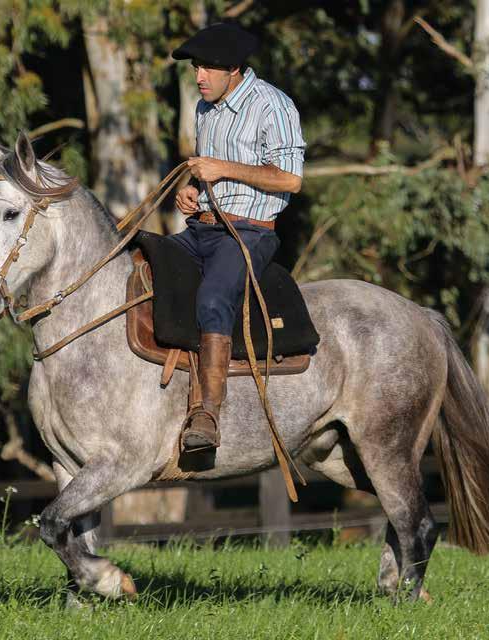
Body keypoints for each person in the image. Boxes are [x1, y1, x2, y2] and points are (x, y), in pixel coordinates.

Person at [169, 22, 306, 452]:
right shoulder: (204, 108)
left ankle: (207, 413)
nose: (199, 77)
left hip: (250, 233)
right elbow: (205, 173)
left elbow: (291, 180)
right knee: (144, 265)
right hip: (202, 228)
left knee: (212, 299)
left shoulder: (274, 107)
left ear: (234, 68)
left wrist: (224, 169)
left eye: (207, 68)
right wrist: (190, 191)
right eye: (196, 68)